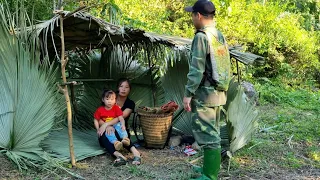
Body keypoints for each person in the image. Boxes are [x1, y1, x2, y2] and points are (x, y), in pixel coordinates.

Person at [183, 0, 231, 179]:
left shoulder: (201, 37)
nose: (192, 18)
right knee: (214, 132)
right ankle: (207, 169)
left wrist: (188, 94)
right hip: (219, 92)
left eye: (192, 14)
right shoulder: (218, 35)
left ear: (199, 16)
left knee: (208, 135)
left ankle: (210, 176)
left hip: (205, 94)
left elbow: (196, 70)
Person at [95, 78, 141, 166]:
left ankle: (136, 153)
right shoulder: (109, 98)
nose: (123, 89)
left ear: (130, 89)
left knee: (124, 137)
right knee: (103, 135)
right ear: (117, 88)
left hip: (121, 129)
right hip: (107, 130)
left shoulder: (130, 103)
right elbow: (99, 117)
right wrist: (106, 126)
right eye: (121, 86)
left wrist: (107, 124)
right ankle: (119, 156)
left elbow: (121, 117)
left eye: (126, 87)